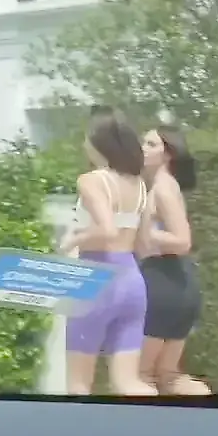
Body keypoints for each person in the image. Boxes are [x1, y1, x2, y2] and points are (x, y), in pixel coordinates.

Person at [55, 110, 154, 396]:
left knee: (78, 385)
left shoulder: (91, 180)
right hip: (132, 280)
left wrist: (73, 239)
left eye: (87, 138)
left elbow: (106, 229)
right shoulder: (139, 184)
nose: (84, 143)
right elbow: (144, 243)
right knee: (128, 383)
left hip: (94, 280)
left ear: (99, 143)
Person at [139, 124, 209, 395]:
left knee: (141, 377)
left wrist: (144, 233)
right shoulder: (166, 187)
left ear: (168, 154)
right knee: (169, 377)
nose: (143, 149)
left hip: (163, 284)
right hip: (180, 284)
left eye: (151, 144)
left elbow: (182, 241)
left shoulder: (163, 189)